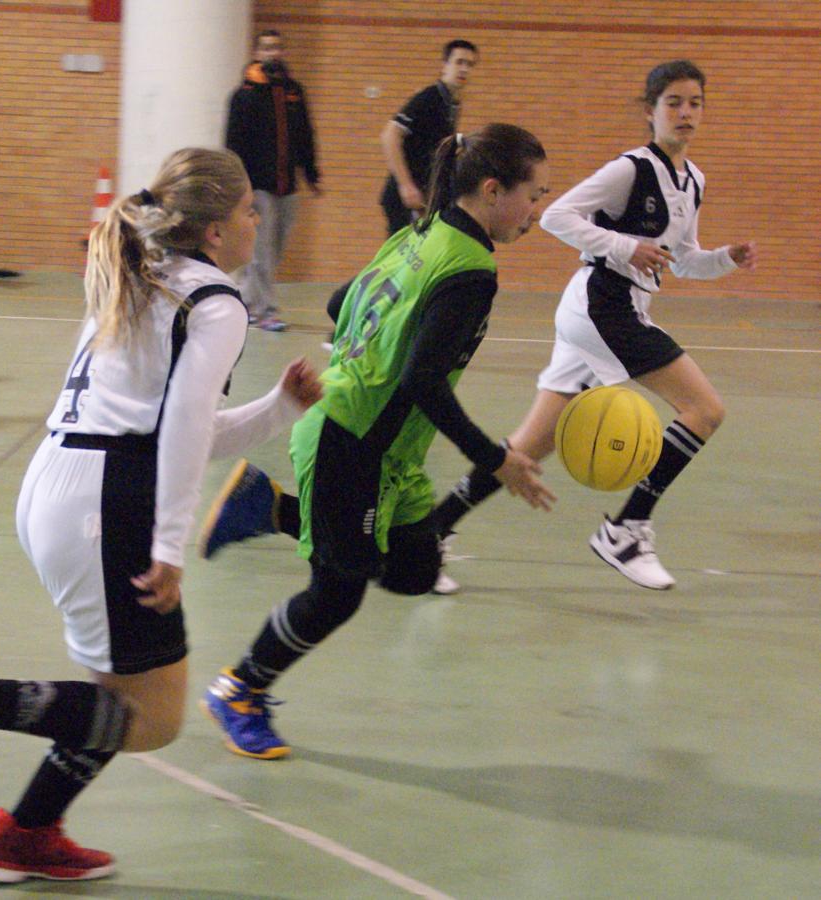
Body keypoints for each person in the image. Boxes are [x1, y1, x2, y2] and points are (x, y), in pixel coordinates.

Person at [0, 147, 322, 882]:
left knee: (114, 700)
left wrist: (278, 409)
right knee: (151, 720)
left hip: (60, 485)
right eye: (249, 209)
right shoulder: (215, 301)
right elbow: (181, 427)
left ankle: (22, 836)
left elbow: (169, 425)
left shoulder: (144, 275)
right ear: (216, 231)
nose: (257, 220)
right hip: (107, 504)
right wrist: (171, 544)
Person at [202, 124, 555, 760]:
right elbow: (424, 383)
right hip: (351, 440)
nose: (537, 211)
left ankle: (268, 507)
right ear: (495, 189)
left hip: (380, 440)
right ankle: (239, 690)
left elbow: (342, 304)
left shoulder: (420, 232)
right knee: (338, 591)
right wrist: (498, 459)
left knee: (417, 569)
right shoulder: (472, 270)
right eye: (534, 195)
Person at [418, 60, 758, 591]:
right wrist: (624, 245)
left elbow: (682, 259)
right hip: (603, 306)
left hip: (616, 310)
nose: (686, 113)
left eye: (695, 102)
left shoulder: (693, 181)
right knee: (704, 409)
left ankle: (430, 534)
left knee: (527, 449)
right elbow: (557, 216)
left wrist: (725, 259)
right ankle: (626, 528)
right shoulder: (630, 169)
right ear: (650, 111)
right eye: (674, 102)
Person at [225, 29, 321, 332]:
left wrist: (311, 173)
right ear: (257, 53)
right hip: (258, 187)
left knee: (274, 249)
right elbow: (233, 143)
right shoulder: (245, 94)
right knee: (262, 251)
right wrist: (240, 185)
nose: (273, 53)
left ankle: (244, 302)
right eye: (267, 48)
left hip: (287, 186)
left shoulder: (294, 91)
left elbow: (306, 134)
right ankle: (267, 311)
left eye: (277, 47)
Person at [380, 39, 478, 236]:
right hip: (406, 198)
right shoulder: (429, 98)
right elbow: (390, 135)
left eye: (469, 64)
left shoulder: (451, 104)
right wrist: (406, 186)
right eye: (459, 62)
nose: (464, 69)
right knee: (402, 260)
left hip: (425, 197)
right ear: (445, 65)